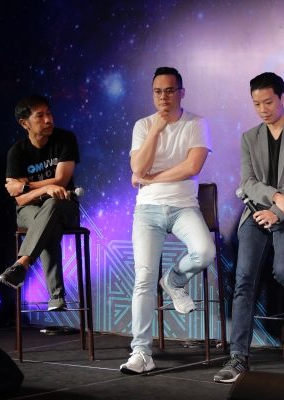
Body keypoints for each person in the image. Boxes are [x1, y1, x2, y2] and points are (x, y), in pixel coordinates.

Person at [213, 72, 284, 383]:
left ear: (282, 97)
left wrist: (278, 211)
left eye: (268, 102)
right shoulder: (249, 137)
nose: (263, 109)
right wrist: (274, 199)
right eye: (257, 103)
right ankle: (238, 357)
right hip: (256, 213)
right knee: (244, 279)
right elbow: (247, 182)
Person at [119, 67, 215, 374]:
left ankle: (174, 280)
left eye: (170, 91)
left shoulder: (197, 123)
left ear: (181, 92)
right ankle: (141, 352)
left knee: (205, 252)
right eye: (158, 92)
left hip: (184, 206)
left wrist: (150, 178)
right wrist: (156, 131)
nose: (164, 97)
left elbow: (192, 167)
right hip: (147, 210)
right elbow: (137, 166)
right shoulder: (143, 125)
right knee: (144, 278)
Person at [0, 95, 81, 312]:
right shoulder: (17, 152)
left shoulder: (65, 139)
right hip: (29, 209)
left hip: (64, 205)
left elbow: (61, 181)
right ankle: (57, 297)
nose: (48, 120)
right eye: (40, 116)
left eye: (49, 113)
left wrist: (25, 186)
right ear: (24, 123)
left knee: (51, 207)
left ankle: (22, 264)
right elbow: (20, 199)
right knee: (45, 223)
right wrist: (43, 189)